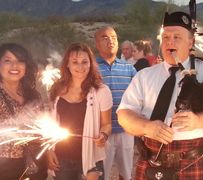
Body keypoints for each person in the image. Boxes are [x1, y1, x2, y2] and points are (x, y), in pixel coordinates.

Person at [117, 11, 203, 179]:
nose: (170, 41)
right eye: (166, 37)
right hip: (150, 161)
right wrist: (146, 127)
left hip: (193, 161)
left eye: (177, 37)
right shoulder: (145, 75)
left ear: (191, 42)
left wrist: (199, 120)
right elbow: (124, 114)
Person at [47, 43, 112, 180]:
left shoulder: (101, 91)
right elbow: (50, 124)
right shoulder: (56, 91)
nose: (80, 67)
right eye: (75, 62)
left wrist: (103, 135)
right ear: (67, 65)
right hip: (61, 158)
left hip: (91, 158)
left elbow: (107, 124)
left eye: (84, 62)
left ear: (91, 64)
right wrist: (49, 150)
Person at [0, 43, 47, 180]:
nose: (15, 66)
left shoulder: (33, 94)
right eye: (8, 60)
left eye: (20, 61)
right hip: (4, 165)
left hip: (35, 162)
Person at [95, 26, 137, 180]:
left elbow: (140, 94)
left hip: (126, 129)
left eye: (113, 37)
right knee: (102, 173)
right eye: (104, 37)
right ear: (97, 43)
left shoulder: (129, 68)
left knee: (126, 173)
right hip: (101, 131)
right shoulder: (91, 68)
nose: (110, 41)